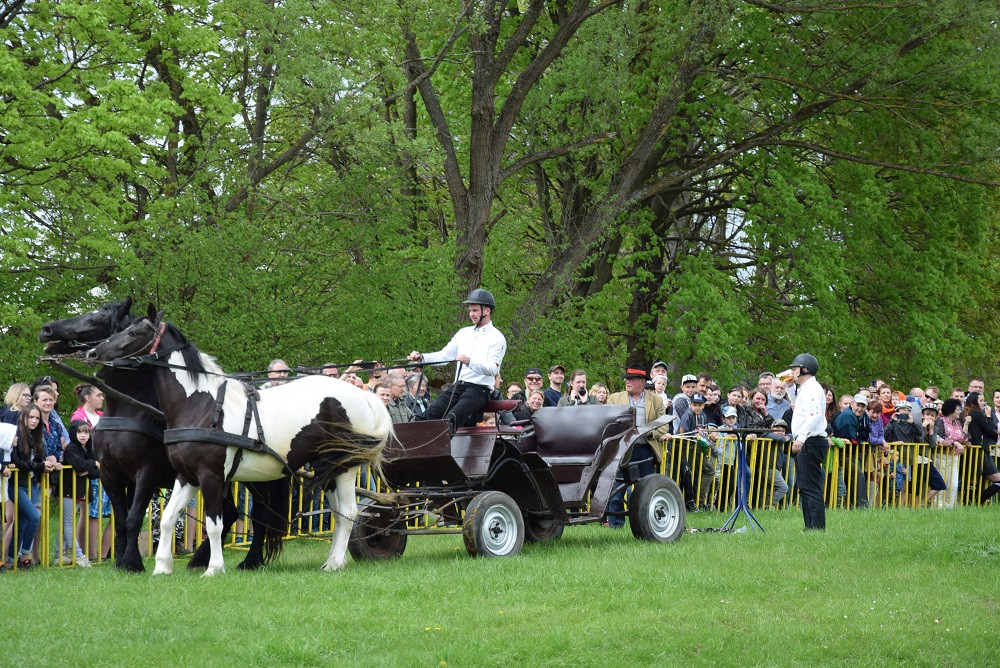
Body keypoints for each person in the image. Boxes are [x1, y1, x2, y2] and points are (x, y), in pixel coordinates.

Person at [407, 288, 506, 428]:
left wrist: (470, 361)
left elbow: (492, 369)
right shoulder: (463, 333)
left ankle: (439, 449)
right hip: (459, 386)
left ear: (487, 311)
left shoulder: (497, 337)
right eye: (470, 310)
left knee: (451, 418)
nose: (471, 314)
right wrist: (422, 358)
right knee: (429, 415)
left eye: (475, 310)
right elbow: (444, 356)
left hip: (479, 390)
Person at [605, 365, 672, 527]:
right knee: (616, 488)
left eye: (631, 379)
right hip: (621, 450)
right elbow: (607, 421)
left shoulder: (655, 400)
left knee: (646, 489)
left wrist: (650, 433)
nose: (627, 382)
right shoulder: (614, 398)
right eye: (626, 379)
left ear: (642, 382)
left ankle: (646, 523)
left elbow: (664, 425)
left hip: (645, 451)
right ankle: (615, 525)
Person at [7, 404, 60, 569]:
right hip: (16, 485)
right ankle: (24, 555)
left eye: (37, 418)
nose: (34, 421)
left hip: (30, 483)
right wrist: (39, 466)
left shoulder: (35, 437)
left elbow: (37, 461)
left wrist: (49, 462)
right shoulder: (15, 435)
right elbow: (17, 462)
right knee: (34, 517)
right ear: (23, 417)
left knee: (22, 522)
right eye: (31, 417)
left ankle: (10, 560)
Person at [788, 353, 829, 530]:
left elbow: (814, 416)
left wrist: (801, 437)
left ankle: (816, 528)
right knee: (805, 487)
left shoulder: (812, 389)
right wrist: (789, 387)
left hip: (810, 441)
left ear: (804, 369)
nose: (792, 371)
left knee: (810, 487)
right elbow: (800, 410)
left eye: (795, 368)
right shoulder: (806, 389)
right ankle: (810, 527)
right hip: (809, 440)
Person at [57, 420, 98, 567]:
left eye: (86, 432)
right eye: (80, 432)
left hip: (78, 490)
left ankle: (59, 554)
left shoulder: (87, 449)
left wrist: (90, 468)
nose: (83, 435)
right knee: (68, 523)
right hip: (68, 489)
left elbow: (96, 472)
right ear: (74, 433)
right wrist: (92, 464)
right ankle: (79, 555)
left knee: (65, 523)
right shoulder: (72, 448)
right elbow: (80, 465)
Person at [962, 391, 1000, 503]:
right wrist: (988, 416)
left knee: (973, 478)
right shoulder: (977, 413)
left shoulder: (967, 412)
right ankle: (978, 501)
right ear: (974, 401)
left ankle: (970, 502)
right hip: (979, 450)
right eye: (981, 400)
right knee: (997, 480)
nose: (983, 403)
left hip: (973, 450)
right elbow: (989, 431)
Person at [934, 398, 968, 508]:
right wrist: (954, 443)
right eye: (958, 409)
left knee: (953, 484)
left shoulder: (958, 423)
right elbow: (939, 439)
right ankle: (938, 507)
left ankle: (950, 507)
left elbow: (964, 437)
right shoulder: (941, 421)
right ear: (951, 410)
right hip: (942, 456)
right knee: (942, 483)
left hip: (955, 457)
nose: (960, 411)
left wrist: (966, 425)